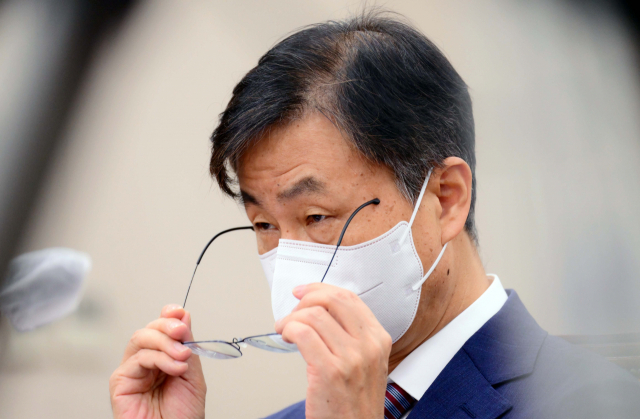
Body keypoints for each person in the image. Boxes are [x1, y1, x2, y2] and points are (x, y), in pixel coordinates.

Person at [109, 11, 640, 419]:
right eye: (264, 225)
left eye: (317, 216)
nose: (289, 267)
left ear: (446, 198)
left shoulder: (593, 403)